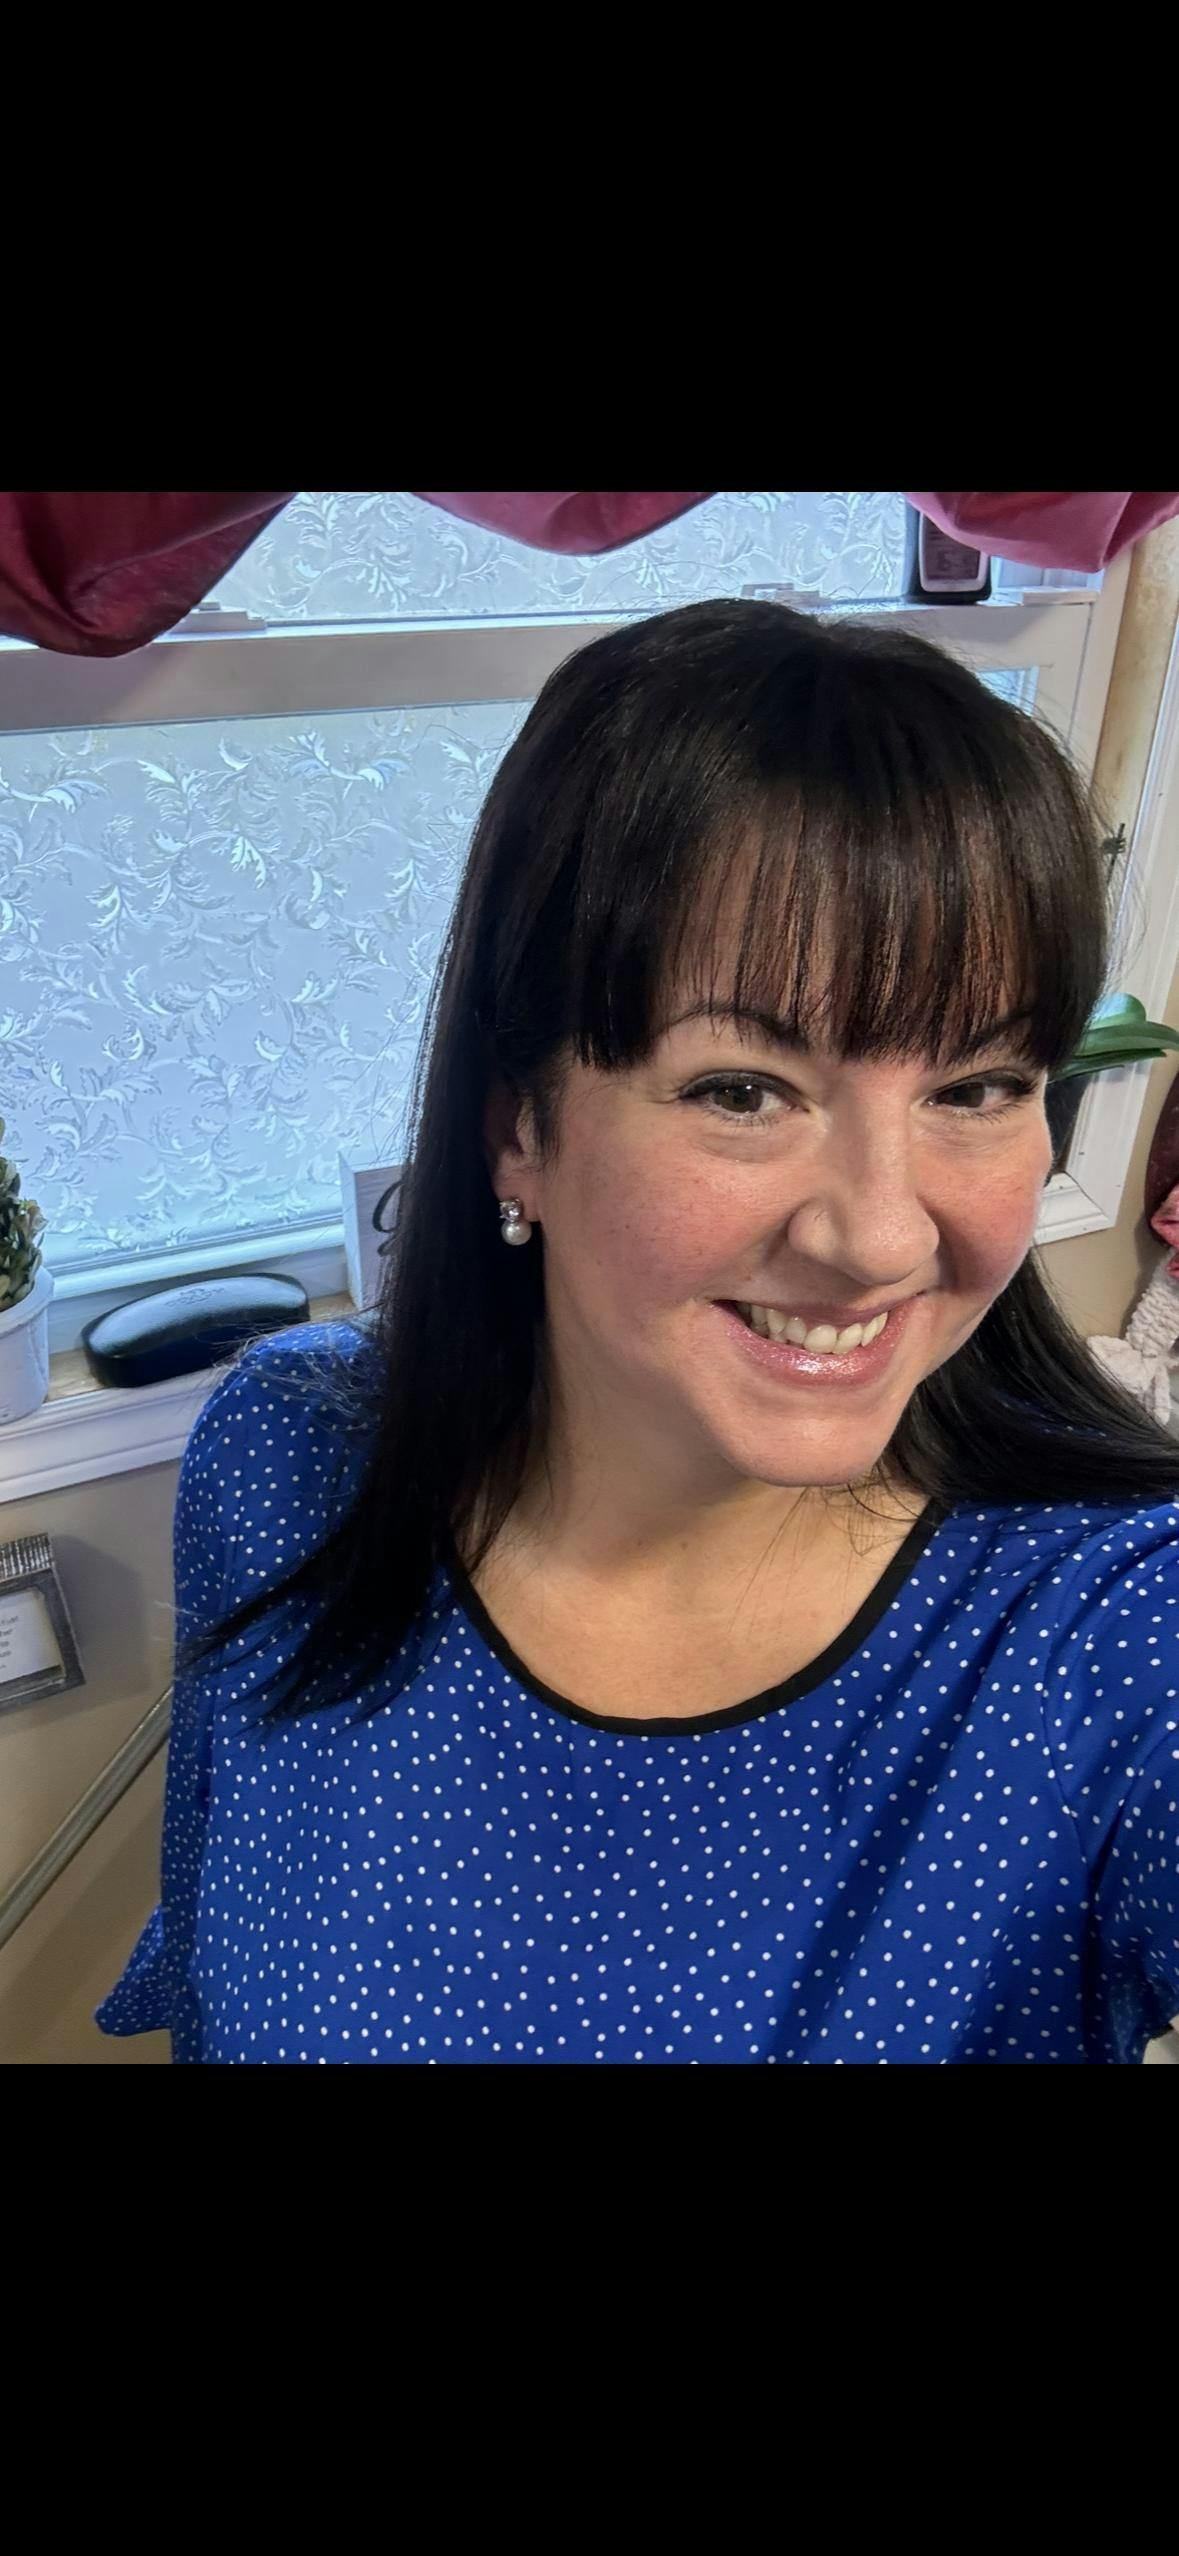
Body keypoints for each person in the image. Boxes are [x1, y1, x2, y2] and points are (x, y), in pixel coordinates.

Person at [96, 599, 1179, 2065]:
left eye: (977, 1087)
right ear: (519, 1131)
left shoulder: (1114, 1638)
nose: (878, 1236)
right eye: (742, 1090)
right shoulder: (288, 1455)